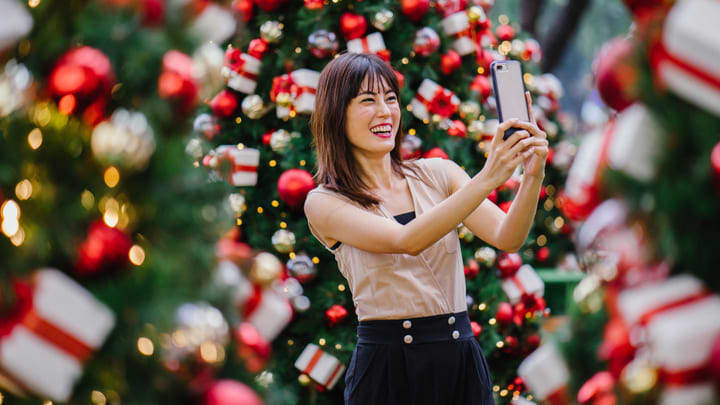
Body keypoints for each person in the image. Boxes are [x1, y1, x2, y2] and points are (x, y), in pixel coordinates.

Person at [304, 53, 548, 405]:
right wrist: (487, 178)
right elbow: (406, 240)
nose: (385, 112)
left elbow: (508, 237)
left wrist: (533, 174)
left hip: (459, 360)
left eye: (390, 98)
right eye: (368, 100)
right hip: (386, 368)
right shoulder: (325, 202)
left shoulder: (438, 173)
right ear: (336, 113)